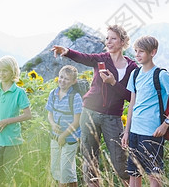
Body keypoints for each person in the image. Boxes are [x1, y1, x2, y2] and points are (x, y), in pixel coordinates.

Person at [52, 25, 138, 186]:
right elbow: (82, 57)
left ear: (123, 41)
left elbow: (131, 97)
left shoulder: (132, 68)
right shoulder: (101, 59)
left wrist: (113, 82)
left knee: (120, 162)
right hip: (89, 112)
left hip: (113, 118)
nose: (109, 41)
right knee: (90, 161)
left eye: (113, 38)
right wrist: (67, 51)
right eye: (107, 38)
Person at [121, 36, 169, 187]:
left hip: (152, 133)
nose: (137, 55)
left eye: (141, 51)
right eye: (136, 51)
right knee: (134, 174)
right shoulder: (135, 74)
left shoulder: (161, 75)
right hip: (135, 132)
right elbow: (132, 105)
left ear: (153, 52)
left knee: (154, 176)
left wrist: (165, 124)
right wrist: (127, 131)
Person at [0, 56, 32, 187]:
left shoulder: (19, 92)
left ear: (13, 71)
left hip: (12, 141)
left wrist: (7, 121)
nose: (1, 73)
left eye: (5, 70)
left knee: (11, 177)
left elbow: (28, 115)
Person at [46, 65, 82, 187]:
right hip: (55, 137)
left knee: (64, 170)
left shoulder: (75, 97)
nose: (62, 81)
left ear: (73, 82)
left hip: (70, 139)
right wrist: (52, 124)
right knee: (56, 168)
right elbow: (49, 113)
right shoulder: (53, 93)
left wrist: (63, 135)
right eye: (61, 77)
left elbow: (77, 122)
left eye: (67, 79)